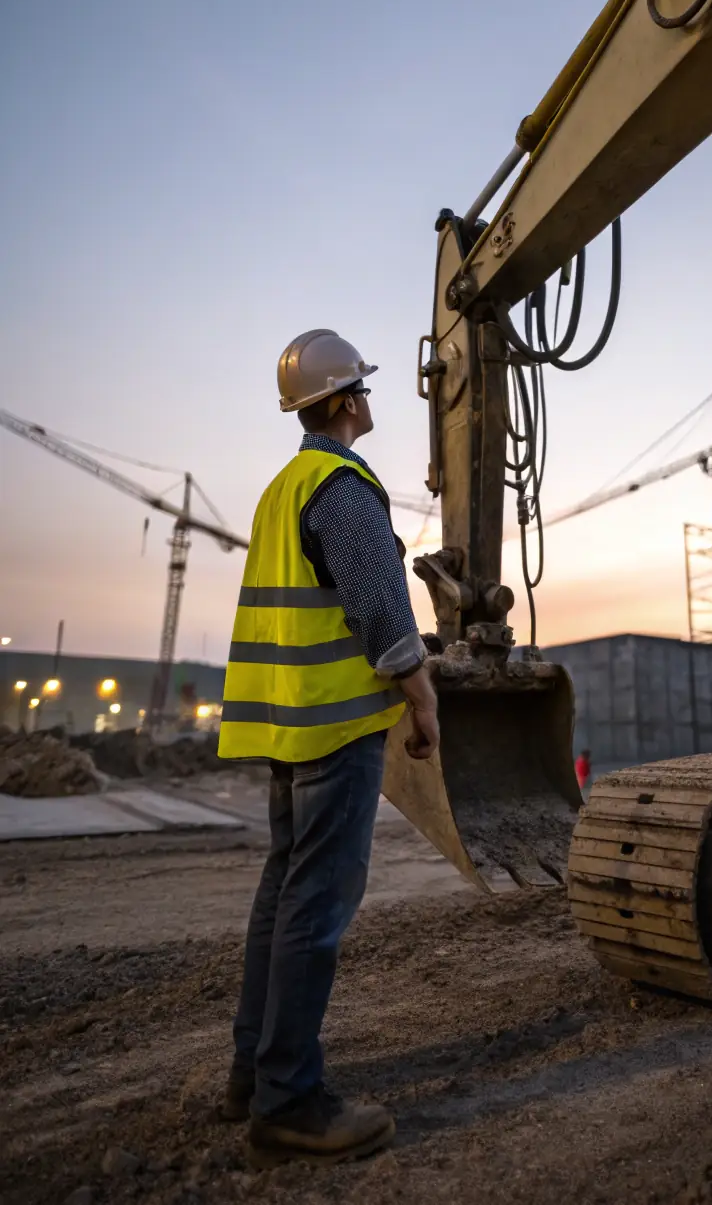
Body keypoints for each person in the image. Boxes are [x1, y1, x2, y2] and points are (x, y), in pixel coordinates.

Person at [217, 328, 440, 1168]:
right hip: (339, 727)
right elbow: (384, 613)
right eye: (366, 389)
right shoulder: (342, 485)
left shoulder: (284, 488)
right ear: (346, 399)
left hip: (287, 725)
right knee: (316, 905)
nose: (371, 400)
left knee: (283, 896)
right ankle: (289, 1103)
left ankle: (253, 1072)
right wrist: (423, 703)